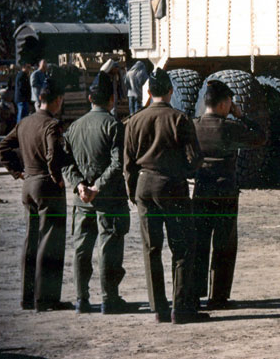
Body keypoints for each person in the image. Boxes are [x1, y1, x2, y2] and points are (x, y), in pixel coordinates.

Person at [124, 68, 206, 324]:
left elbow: (127, 164)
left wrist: (133, 194)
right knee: (182, 247)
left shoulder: (134, 120)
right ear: (171, 91)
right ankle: (180, 308)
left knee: (152, 249)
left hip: (144, 187)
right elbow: (195, 158)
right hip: (172, 186)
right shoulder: (180, 119)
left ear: (148, 92)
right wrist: (183, 172)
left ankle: (157, 307)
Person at [0, 77, 73, 311]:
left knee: (30, 241)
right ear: (57, 100)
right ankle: (45, 299)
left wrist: (16, 171)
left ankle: (27, 298)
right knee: (50, 242)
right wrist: (57, 178)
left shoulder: (25, 122)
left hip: (28, 184)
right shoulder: (52, 124)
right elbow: (52, 155)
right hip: (46, 186)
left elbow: (2, 148)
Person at [62, 72, 132, 314]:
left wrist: (80, 185)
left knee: (81, 249)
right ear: (111, 100)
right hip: (109, 200)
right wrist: (97, 187)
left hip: (81, 201)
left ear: (90, 98)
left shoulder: (74, 127)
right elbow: (117, 164)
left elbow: (65, 163)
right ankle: (109, 298)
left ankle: (81, 299)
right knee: (108, 249)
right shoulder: (114, 126)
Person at [192, 80, 265, 309]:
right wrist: (242, 116)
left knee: (200, 242)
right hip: (226, 192)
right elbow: (260, 137)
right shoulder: (230, 127)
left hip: (202, 190)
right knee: (224, 243)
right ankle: (218, 297)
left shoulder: (193, 126)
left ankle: (195, 293)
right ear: (225, 103)